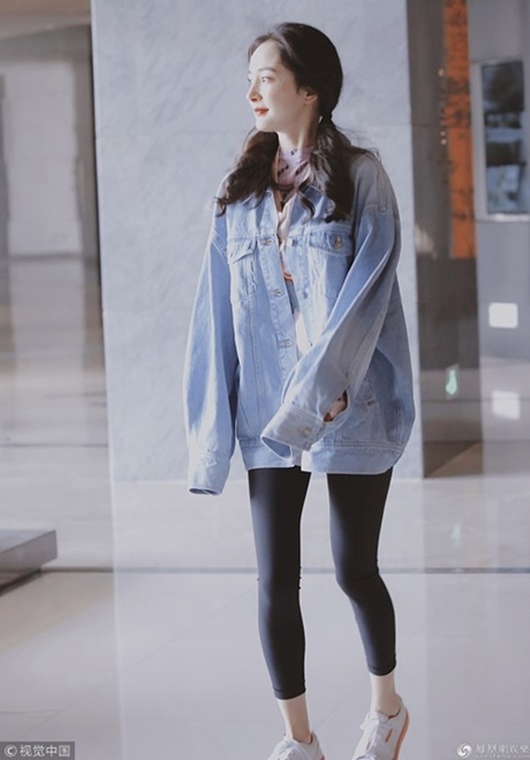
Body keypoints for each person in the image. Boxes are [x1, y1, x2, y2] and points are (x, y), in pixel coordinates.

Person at [183, 22, 415, 760]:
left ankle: (386, 711)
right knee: (274, 580)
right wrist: (211, 436)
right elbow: (214, 317)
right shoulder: (237, 196)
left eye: (267, 76)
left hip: (350, 409)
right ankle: (299, 739)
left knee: (354, 570)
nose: (253, 91)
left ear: (309, 88)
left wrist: (325, 388)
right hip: (266, 415)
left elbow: (365, 298)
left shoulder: (361, 178)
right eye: (250, 78)